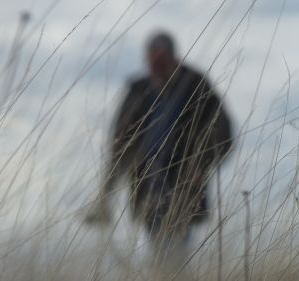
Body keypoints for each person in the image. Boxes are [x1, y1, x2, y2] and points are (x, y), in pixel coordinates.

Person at [85, 31, 234, 263]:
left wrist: (201, 165)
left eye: (163, 60)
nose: (158, 66)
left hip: (183, 185)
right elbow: (120, 145)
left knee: (171, 251)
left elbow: (222, 131)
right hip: (147, 185)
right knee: (161, 249)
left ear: (173, 58)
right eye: (153, 60)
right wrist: (106, 195)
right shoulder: (138, 91)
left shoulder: (194, 85)